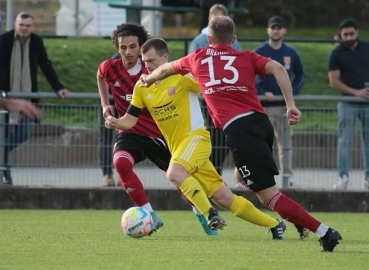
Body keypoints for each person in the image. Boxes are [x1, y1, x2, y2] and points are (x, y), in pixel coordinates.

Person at [139, 16, 342, 252]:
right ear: (233, 39)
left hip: (240, 130)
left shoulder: (198, 57)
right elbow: (277, 68)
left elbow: (164, 69)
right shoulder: (247, 56)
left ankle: (324, 232)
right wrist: (290, 105)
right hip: (260, 122)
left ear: (209, 39)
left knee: (268, 197)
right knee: (241, 176)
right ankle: (298, 220)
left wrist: (148, 78)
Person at [106, 37, 287, 239]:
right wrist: (115, 122)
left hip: (196, 139)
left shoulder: (182, 78)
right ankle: (275, 224)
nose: (147, 66)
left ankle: (209, 214)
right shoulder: (142, 87)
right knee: (223, 197)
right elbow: (130, 121)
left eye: (151, 61)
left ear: (165, 57)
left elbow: (213, 89)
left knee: (174, 173)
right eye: (144, 61)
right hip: (180, 150)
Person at [97, 22, 217, 236]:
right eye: (123, 47)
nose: (128, 52)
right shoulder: (110, 68)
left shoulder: (152, 70)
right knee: (120, 162)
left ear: (141, 46)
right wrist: (105, 105)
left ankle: (201, 213)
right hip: (130, 131)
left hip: (159, 134)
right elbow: (100, 76)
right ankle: (149, 214)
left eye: (133, 46)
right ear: (117, 47)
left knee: (180, 178)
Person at [0, 12, 69, 185]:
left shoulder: (36, 42)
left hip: (28, 98)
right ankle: (6, 175)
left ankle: (1, 157)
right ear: (15, 25)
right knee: (2, 137)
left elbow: (45, 65)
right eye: (21, 25)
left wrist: (58, 87)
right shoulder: (4, 40)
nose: (24, 28)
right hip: (5, 98)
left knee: (24, 133)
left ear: (32, 26)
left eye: (28, 25)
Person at [189, 4, 241, 183]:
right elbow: (191, 69)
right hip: (209, 97)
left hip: (228, 98)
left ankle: (214, 174)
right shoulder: (199, 41)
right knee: (213, 136)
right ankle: (212, 175)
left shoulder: (234, 41)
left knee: (227, 136)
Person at [253, 16, 305, 189]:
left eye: (279, 28)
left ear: (283, 31)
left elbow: (300, 75)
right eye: (273, 28)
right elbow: (250, 75)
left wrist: (291, 94)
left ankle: (287, 177)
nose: (276, 31)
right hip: (264, 107)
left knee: (285, 144)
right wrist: (260, 92)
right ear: (268, 30)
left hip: (284, 107)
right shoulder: (259, 51)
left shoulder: (291, 53)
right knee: (263, 143)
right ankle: (264, 178)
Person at [328, 18, 369, 190]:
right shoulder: (336, 54)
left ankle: (368, 178)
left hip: (367, 102)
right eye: (345, 35)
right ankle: (343, 176)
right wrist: (356, 92)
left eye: (351, 33)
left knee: (368, 141)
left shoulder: (367, 47)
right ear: (341, 35)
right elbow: (334, 81)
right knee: (345, 140)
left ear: (356, 33)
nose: (349, 37)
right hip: (347, 102)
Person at [99, 53, 120, 187]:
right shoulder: (112, 62)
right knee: (106, 139)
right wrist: (105, 104)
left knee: (129, 139)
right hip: (111, 103)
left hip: (128, 105)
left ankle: (124, 176)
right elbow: (102, 80)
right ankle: (107, 174)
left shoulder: (140, 62)